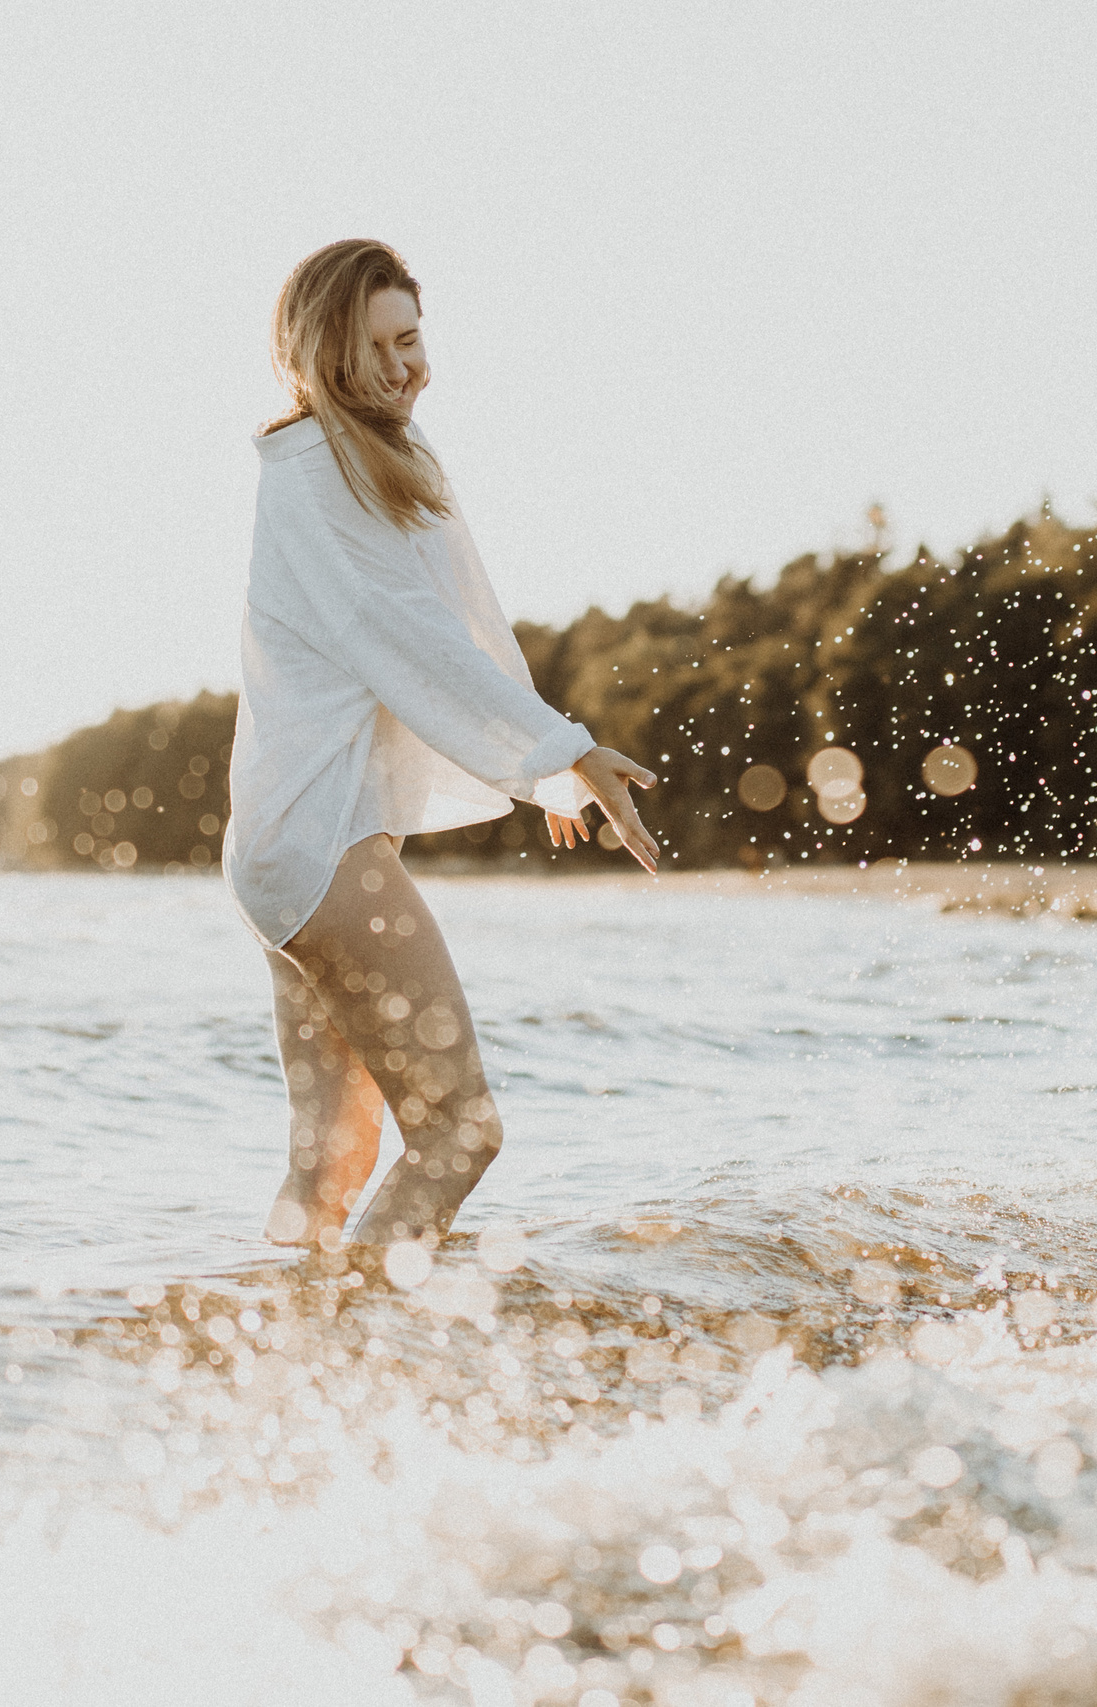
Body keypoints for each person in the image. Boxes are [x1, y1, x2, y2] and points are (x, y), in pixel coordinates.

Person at [225, 239, 660, 1252]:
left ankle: (296, 1334)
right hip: (318, 847)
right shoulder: (314, 472)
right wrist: (558, 750)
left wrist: (547, 766)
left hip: (292, 843)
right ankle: (375, 1326)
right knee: (460, 1131)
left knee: (334, 1156)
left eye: (410, 340)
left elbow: (466, 625)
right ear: (318, 354)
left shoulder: (377, 456)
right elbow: (407, 639)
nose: (398, 367)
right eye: (370, 348)